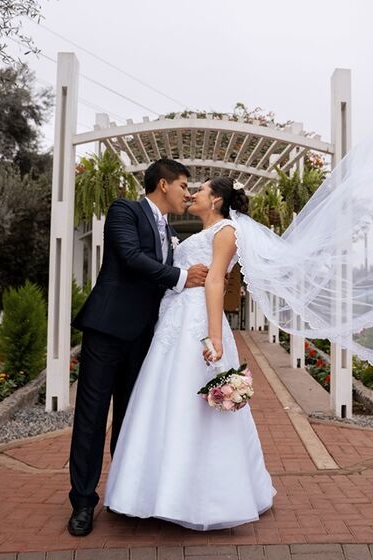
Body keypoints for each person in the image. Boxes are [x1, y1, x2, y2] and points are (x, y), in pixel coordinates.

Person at [102, 176, 275, 531]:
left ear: (215, 201)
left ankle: (204, 497)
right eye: (190, 188)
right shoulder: (201, 233)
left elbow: (215, 282)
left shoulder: (226, 231)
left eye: (201, 190)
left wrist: (214, 337)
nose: (193, 193)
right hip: (174, 320)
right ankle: (155, 492)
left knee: (195, 405)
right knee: (164, 399)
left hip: (197, 323)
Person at [66, 159, 209, 537]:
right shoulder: (124, 210)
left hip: (144, 337)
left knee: (131, 419)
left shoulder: (170, 229)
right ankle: (82, 502)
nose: (187, 194)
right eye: (183, 186)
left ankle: (124, 495)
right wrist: (181, 276)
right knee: (92, 418)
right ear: (163, 184)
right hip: (108, 330)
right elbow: (130, 259)